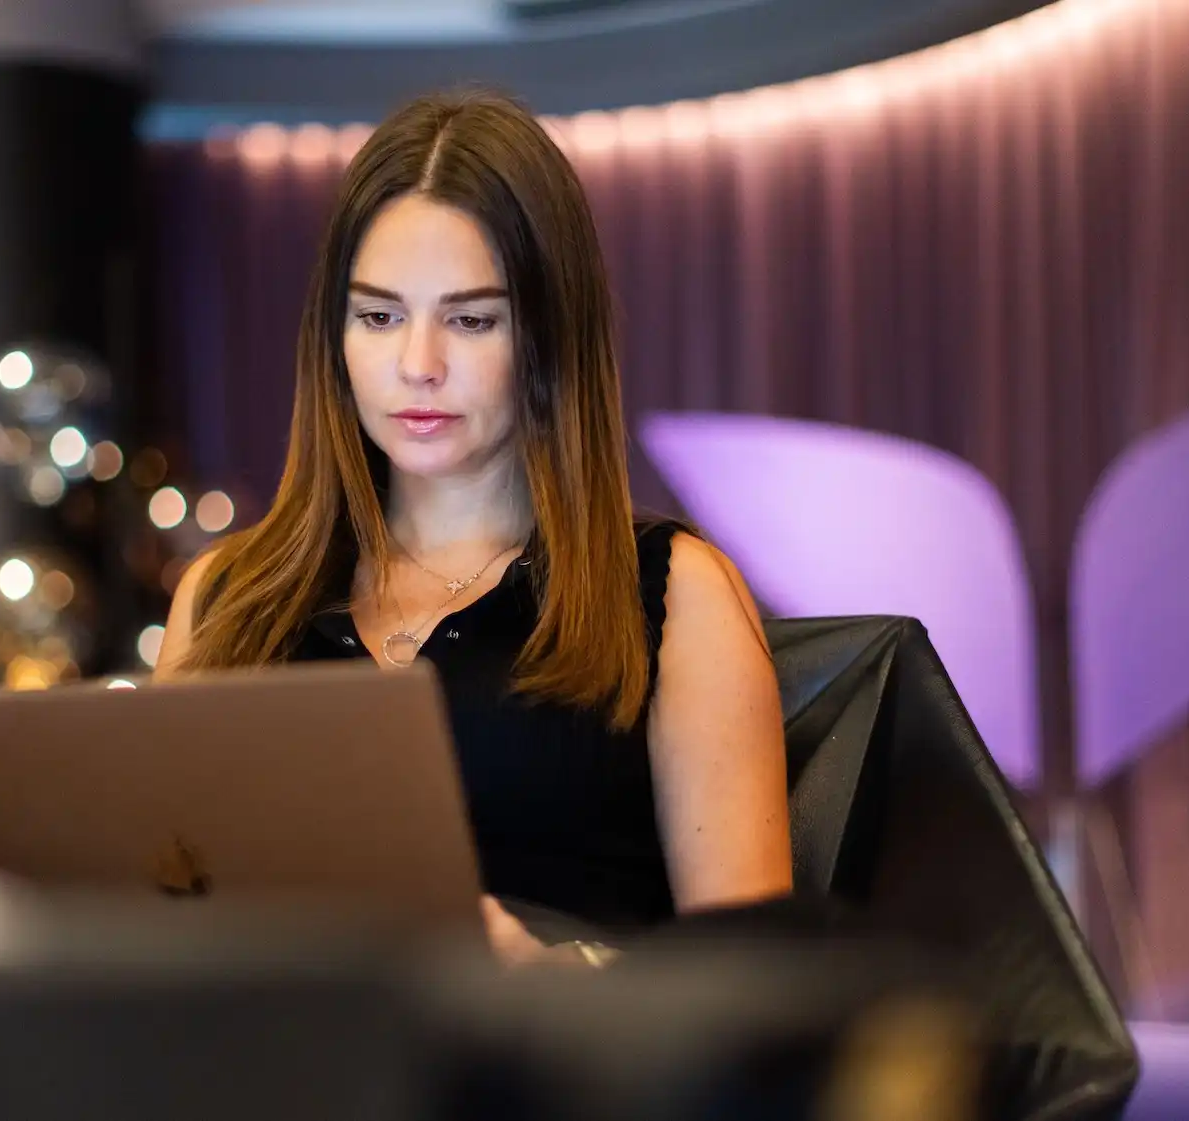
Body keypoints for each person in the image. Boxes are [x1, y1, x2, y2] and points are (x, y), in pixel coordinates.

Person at [157, 90, 794, 964]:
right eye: (378, 317)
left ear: (548, 336)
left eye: (471, 319)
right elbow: (151, 926)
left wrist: (551, 978)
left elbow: (759, 1005)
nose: (419, 365)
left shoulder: (674, 596)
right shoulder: (226, 599)